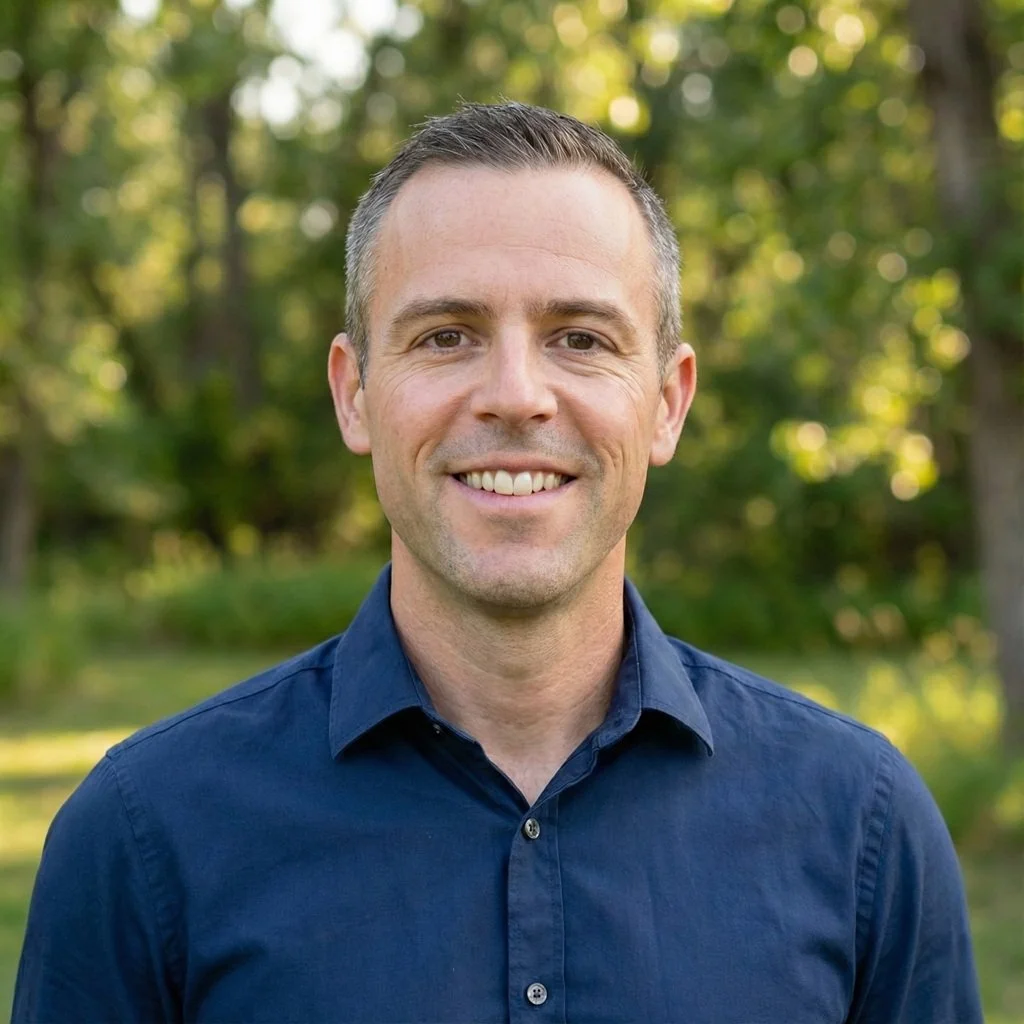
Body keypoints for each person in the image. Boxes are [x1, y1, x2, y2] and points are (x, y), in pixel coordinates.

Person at [14, 102, 981, 1024]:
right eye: (446, 336)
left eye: (580, 338)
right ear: (355, 396)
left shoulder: (862, 827)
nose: (516, 395)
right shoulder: (146, 837)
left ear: (667, 403)